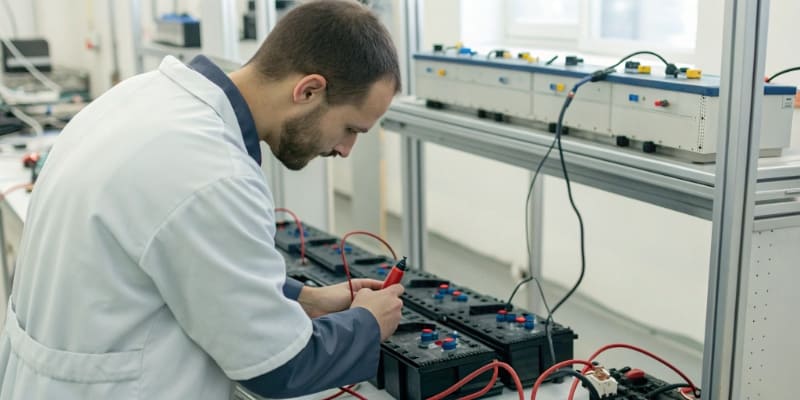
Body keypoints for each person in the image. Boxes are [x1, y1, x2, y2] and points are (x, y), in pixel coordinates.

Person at [0, 1, 405, 399]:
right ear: (309, 90)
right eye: (351, 128)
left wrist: (304, 298)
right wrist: (369, 323)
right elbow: (279, 366)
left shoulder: (140, 96)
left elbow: (170, 256)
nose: (347, 149)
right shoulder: (214, 173)